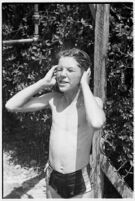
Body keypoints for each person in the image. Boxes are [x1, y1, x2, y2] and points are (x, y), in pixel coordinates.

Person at [5, 48, 106, 198]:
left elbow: (97, 123)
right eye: (59, 69)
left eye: (70, 70)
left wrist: (85, 84)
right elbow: (11, 105)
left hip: (79, 179)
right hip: (52, 175)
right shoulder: (53, 99)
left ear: (85, 73)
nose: (62, 74)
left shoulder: (91, 103)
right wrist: (42, 83)